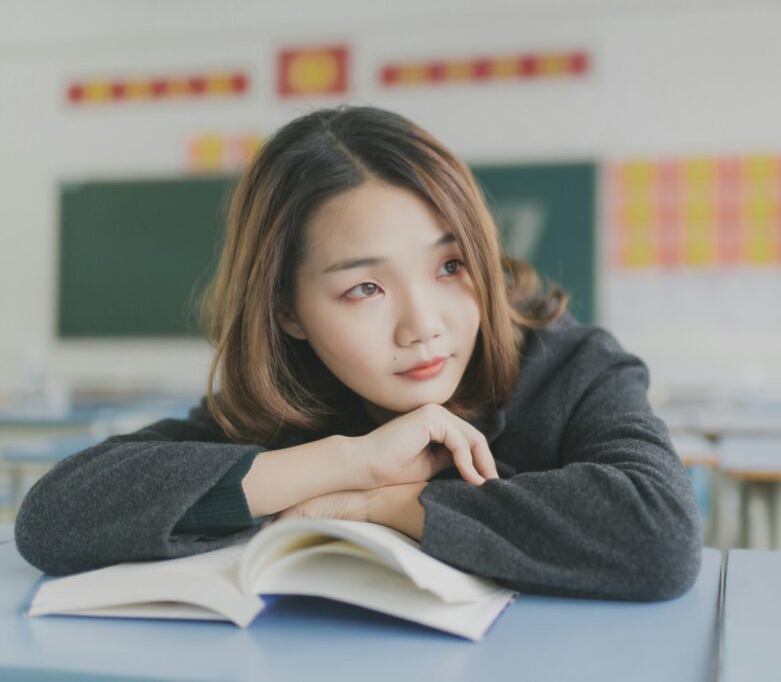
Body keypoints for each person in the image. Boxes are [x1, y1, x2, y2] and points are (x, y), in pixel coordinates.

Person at [15, 105, 702, 600]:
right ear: (287, 309)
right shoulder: (294, 400)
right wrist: (346, 461)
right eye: (366, 287)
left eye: (450, 265)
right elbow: (55, 516)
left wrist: (385, 505)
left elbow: (661, 535)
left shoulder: (571, 368)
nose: (423, 326)